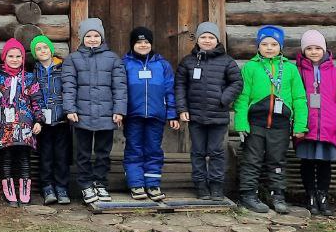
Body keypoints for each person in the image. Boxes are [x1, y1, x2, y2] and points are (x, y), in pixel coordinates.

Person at [233, 25, 308, 215]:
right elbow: (242, 98)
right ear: (258, 46)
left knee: (277, 161)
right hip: (255, 124)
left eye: (274, 44)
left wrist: (300, 125)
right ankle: (248, 195)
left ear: (280, 46)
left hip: (280, 125)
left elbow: (299, 98)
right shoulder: (251, 67)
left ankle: (278, 196)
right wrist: (241, 123)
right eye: (264, 44)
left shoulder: (290, 69)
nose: (269, 47)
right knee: (252, 160)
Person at [175, 22, 243, 201]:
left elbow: (237, 82)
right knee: (197, 152)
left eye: (211, 37)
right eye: (203, 37)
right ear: (197, 40)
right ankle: (200, 185)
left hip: (218, 116)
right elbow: (180, 86)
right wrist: (182, 109)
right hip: (195, 116)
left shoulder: (227, 61)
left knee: (216, 152)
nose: (207, 40)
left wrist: (224, 99)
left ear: (217, 40)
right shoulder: (188, 62)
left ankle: (216, 186)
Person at [62, 18, 126, 205]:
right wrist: (70, 109)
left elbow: (120, 87)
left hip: (107, 115)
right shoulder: (73, 59)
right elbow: (69, 86)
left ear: (102, 37)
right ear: (82, 38)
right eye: (88, 36)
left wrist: (119, 110)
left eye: (96, 35)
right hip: (82, 114)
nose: (92, 39)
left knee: (102, 153)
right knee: (82, 153)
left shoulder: (113, 59)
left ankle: (100, 183)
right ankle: (86, 185)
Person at [294, 29, 336, 217]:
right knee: (308, 162)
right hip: (307, 125)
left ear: (325, 50)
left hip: (328, 127)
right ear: (303, 51)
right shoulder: (297, 72)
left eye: (317, 48)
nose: (313, 52)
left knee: (325, 163)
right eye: (309, 48)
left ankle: (323, 196)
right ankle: (310, 195)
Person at [121, 28, 178, 202]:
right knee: (134, 149)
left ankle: (152, 184)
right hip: (133, 115)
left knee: (153, 149)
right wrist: (120, 112)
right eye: (139, 42)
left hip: (156, 115)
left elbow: (169, 90)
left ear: (151, 44)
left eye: (146, 42)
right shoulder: (125, 63)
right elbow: (120, 90)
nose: (143, 45)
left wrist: (172, 114)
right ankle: (136, 184)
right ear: (133, 44)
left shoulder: (162, 65)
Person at [0, 38, 42, 205]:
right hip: (4, 125)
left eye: (18, 56)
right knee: (7, 158)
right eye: (11, 56)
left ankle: (25, 192)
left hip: (25, 125)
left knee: (24, 158)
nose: (15, 59)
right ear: (5, 57)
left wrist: (39, 120)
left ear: (23, 58)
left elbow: (36, 100)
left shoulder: (30, 78)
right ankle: (9, 192)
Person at [29, 35, 71, 205]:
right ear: (34, 53)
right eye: (38, 49)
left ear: (51, 49)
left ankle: (61, 188)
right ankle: (47, 188)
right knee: (45, 156)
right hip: (43, 122)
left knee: (61, 156)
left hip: (61, 120)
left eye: (45, 47)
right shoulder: (34, 71)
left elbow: (69, 90)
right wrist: (37, 118)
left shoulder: (63, 67)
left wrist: (69, 111)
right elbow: (33, 95)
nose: (42, 51)